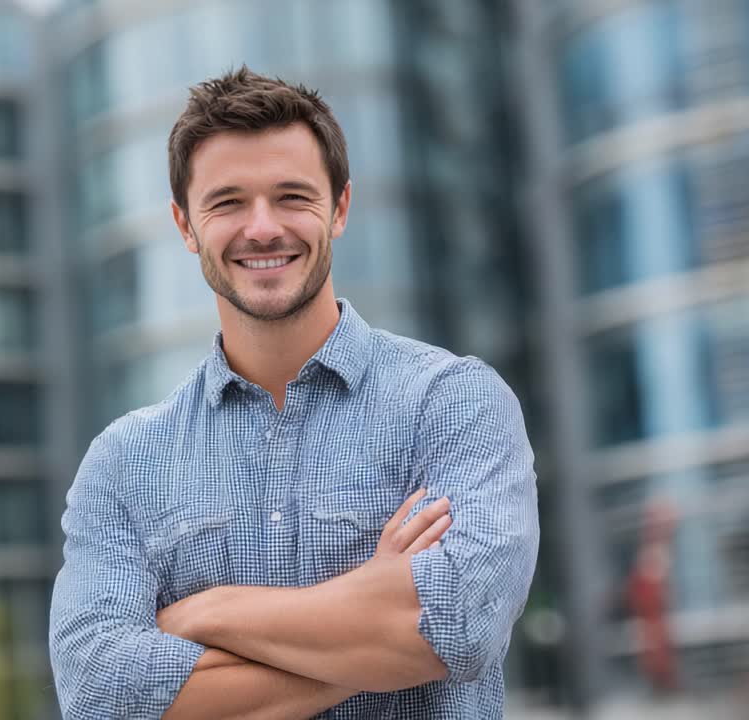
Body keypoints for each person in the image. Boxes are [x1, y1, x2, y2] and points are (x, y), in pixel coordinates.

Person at [48, 66, 540, 719]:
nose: (262, 228)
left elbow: (460, 624)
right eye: (227, 203)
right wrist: (375, 634)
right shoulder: (123, 465)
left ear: (338, 208)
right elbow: (99, 695)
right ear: (185, 225)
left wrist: (206, 613)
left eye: (292, 197)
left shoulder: (451, 404)